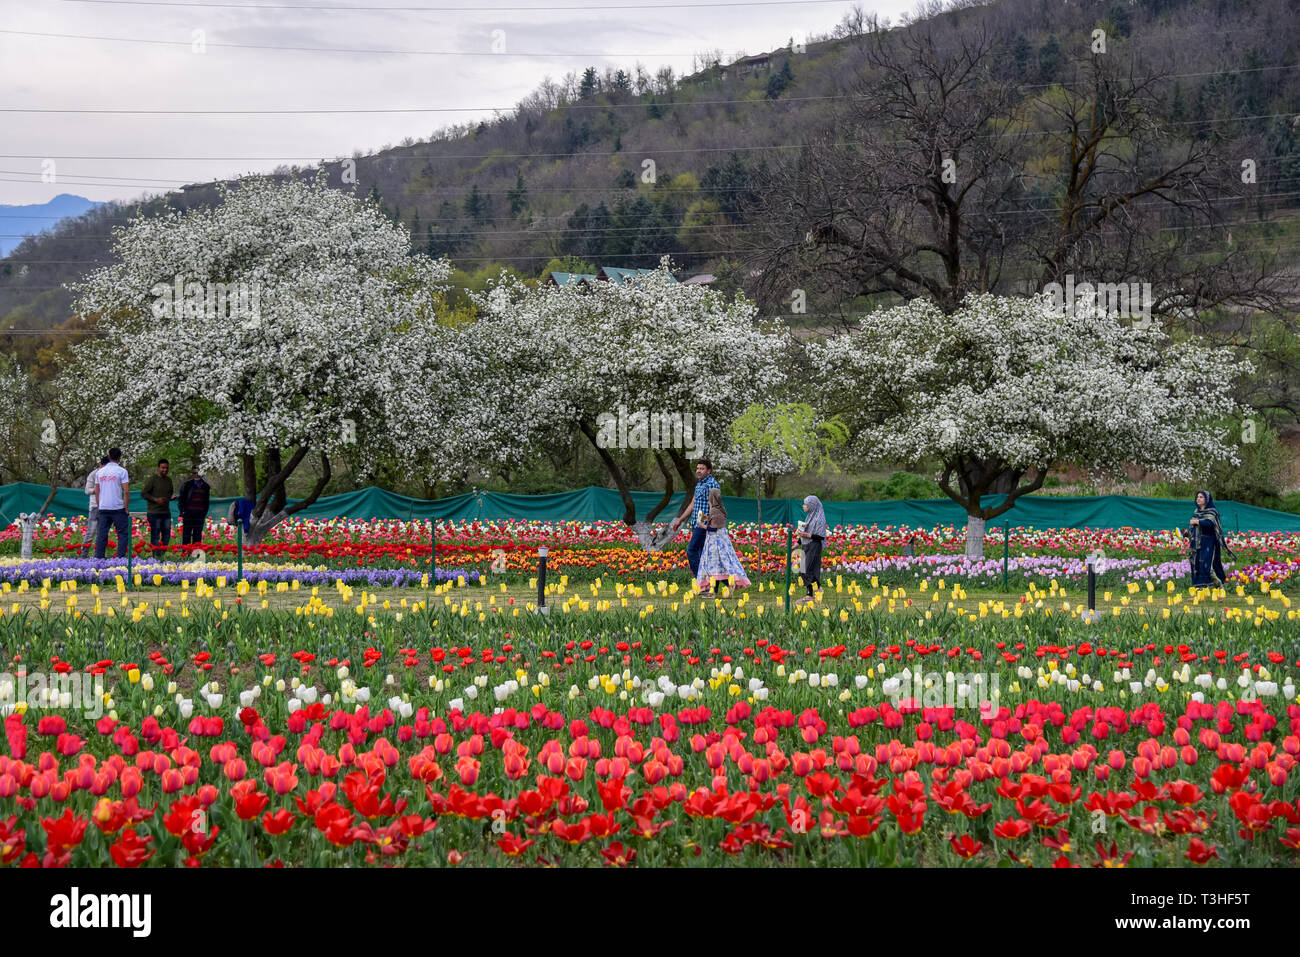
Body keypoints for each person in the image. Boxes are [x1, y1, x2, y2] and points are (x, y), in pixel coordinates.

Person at [670, 459, 721, 580]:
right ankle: (709, 583)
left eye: (702, 469)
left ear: (709, 471)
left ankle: (702, 581)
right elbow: (692, 503)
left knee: (691, 551)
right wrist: (680, 520)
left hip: (704, 525)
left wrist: (711, 523)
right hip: (696, 523)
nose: (698, 471)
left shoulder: (712, 484)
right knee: (701, 554)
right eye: (697, 468)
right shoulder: (699, 484)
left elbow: (714, 505)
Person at [695, 487, 750, 593]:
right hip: (723, 541)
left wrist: (702, 525)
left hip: (715, 542)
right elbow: (717, 522)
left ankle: (719, 589)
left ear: (712, 498)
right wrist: (707, 518)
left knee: (713, 566)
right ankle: (722, 587)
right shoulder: (720, 509)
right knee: (717, 566)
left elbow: (714, 528)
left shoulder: (714, 510)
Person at [1184, 489, 1233, 587]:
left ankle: (1218, 584)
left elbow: (1211, 524)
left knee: (1207, 566)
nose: (1198, 499)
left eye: (1201, 497)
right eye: (1197, 497)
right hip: (1197, 543)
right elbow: (1194, 529)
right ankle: (1199, 588)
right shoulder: (1196, 512)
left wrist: (1198, 522)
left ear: (1207, 499)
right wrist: (1187, 533)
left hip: (1209, 542)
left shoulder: (1212, 512)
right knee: (1196, 565)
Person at [93, 448, 131, 559]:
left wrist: (99, 505)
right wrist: (126, 508)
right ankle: (119, 559)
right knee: (122, 534)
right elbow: (126, 491)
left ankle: (99, 559)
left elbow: (97, 491)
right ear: (119, 458)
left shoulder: (100, 472)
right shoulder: (122, 471)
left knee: (101, 535)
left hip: (103, 507)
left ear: (109, 457)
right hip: (118, 507)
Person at [795, 494, 827, 604]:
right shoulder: (810, 516)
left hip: (814, 545)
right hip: (806, 545)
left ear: (812, 505)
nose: (803, 506)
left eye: (805, 504)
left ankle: (809, 594)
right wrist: (796, 544)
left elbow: (821, 536)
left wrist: (807, 535)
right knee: (804, 568)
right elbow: (805, 533)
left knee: (806, 569)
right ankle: (817, 588)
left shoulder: (819, 519)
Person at [141, 458, 176, 559]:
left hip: (166, 512)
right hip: (154, 512)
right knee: (155, 535)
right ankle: (155, 556)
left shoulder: (169, 480)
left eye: (166, 468)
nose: (165, 470)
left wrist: (171, 498)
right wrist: (155, 499)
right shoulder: (152, 479)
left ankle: (162, 555)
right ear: (158, 468)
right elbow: (144, 493)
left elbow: (169, 494)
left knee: (166, 535)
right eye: (163, 468)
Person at [178, 466, 211, 546]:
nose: (196, 475)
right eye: (194, 473)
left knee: (197, 535)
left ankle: (196, 553)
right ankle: (185, 553)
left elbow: (206, 502)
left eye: (198, 473)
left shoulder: (206, 487)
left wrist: (204, 513)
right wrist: (183, 511)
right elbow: (181, 499)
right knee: (186, 534)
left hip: (199, 514)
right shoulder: (187, 485)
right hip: (188, 513)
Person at [82, 455, 109, 549]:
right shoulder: (93, 474)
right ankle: (83, 556)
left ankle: (98, 556)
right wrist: (97, 489)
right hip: (95, 507)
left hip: (106, 506)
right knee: (90, 532)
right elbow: (87, 490)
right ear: (100, 464)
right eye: (104, 466)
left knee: (102, 534)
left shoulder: (110, 474)